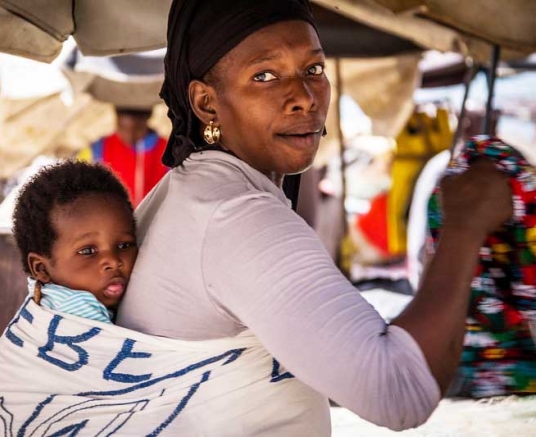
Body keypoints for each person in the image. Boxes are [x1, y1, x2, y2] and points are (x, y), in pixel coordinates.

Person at [116, 0, 513, 433]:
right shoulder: (236, 215)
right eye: (264, 75)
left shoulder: (191, 192)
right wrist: (464, 225)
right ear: (207, 104)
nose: (304, 99)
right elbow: (399, 389)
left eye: (314, 70)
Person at [12, 160, 138, 323]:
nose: (113, 261)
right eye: (88, 251)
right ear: (41, 268)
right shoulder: (77, 311)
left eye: (124, 245)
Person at [78, 107, 168, 206]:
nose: (129, 133)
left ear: (148, 115)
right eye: (122, 126)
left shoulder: (168, 152)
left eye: (136, 128)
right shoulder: (97, 149)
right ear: (116, 115)